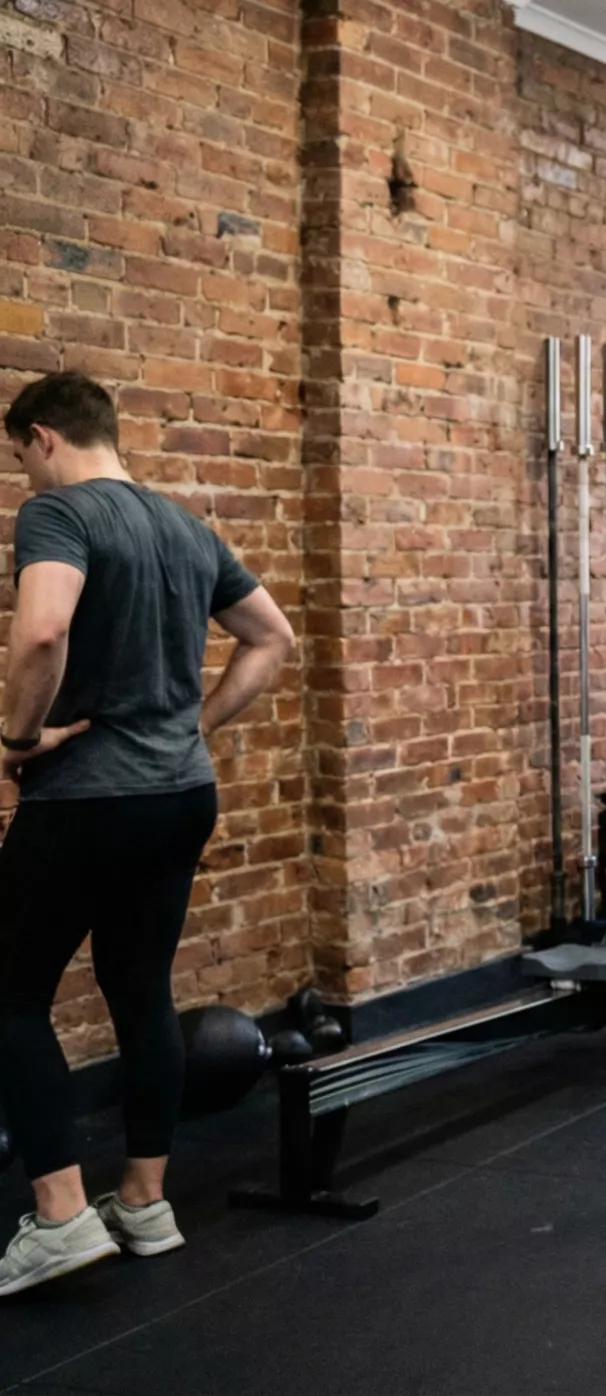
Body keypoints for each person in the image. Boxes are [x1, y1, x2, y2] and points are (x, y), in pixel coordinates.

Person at [0, 371, 295, 1296]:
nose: (25, 477)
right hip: (180, 795)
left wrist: (15, 740)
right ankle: (144, 1202)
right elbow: (271, 637)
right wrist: (194, 728)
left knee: (6, 995)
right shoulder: (184, 525)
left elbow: (43, 633)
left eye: (19, 459)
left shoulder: (59, 516)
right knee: (140, 991)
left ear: (43, 437)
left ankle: (58, 1217)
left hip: (88, 796)